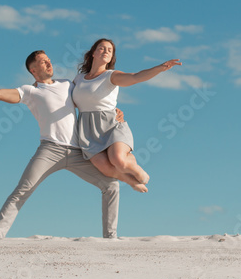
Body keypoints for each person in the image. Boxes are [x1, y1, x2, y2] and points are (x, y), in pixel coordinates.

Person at [0, 50, 125, 238]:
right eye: (43, 62)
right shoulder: (29, 91)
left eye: (49, 60)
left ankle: (110, 238)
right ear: (33, 70)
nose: (49, 64)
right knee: (22, 190)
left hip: (79, 152)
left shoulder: (68, 85)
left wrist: (114, 111)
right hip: (50, 150)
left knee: (111, 185)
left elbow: (93, 100)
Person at [71, 38, 180, 192]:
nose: (106, 51)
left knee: (119, 161)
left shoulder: (111, 76)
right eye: (102, 48)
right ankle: (131, 181)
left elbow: (136, 77)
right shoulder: (79, 79)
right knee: (105, 168)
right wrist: (40, 85)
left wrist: (160, 68)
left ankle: (134, 167)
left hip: (110, 124)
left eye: (109, 50)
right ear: (93, 53)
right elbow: (63, 95)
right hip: (88, 130)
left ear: (111, 58)